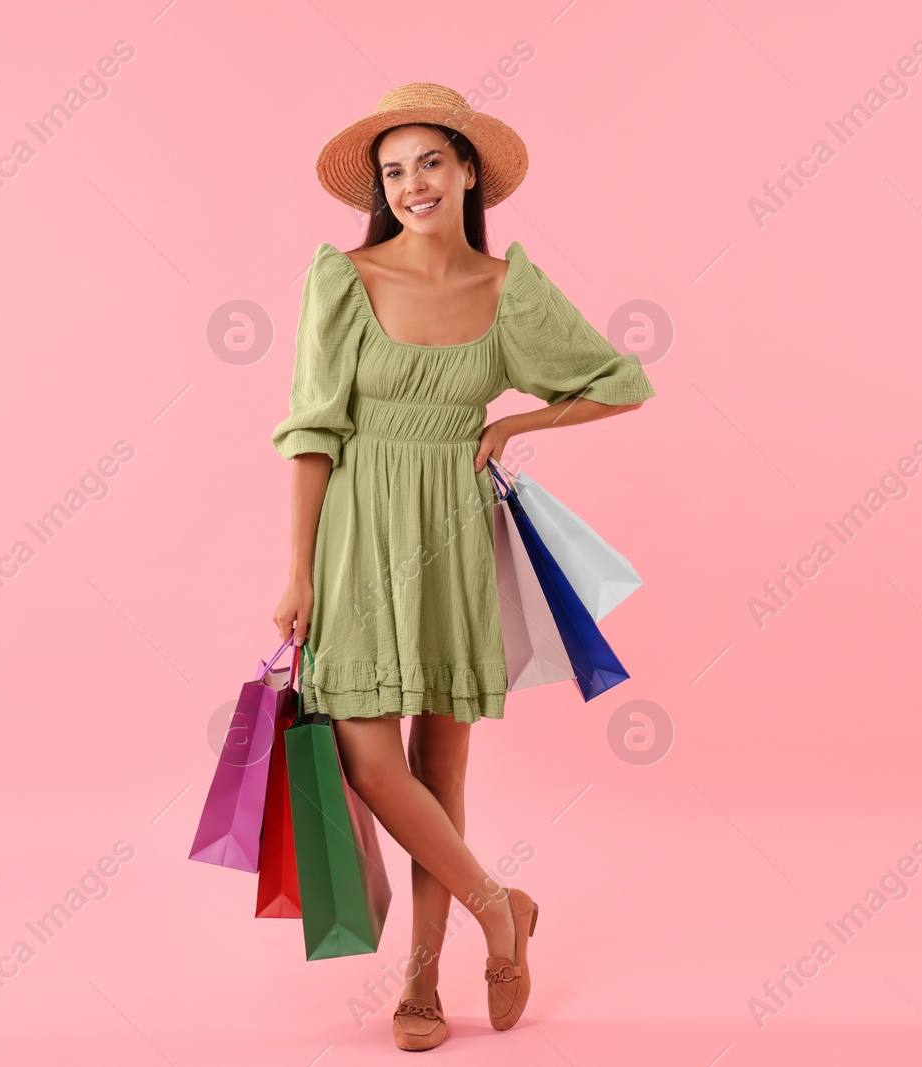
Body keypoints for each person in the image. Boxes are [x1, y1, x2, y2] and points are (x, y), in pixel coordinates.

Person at [271, 82, 656, 1052]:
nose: (411, 185)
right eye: (393, 171)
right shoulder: (342, 276)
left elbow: (619, 380)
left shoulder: (505, 286)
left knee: (440, 767)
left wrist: (519, 419)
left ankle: (421, 981)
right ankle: (500, 905)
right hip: (356, 535)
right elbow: (312, 429)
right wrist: (299, 570)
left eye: (429, 163)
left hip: (452, 533)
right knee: (368, 752)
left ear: (468, 168)